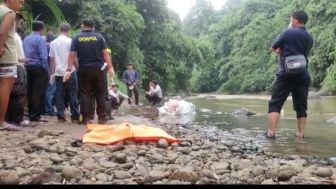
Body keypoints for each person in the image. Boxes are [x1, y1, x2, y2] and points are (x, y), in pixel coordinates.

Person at [266, 10, 314, 139]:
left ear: (295, 20)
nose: (290, 21)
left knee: (275, 104)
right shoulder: (309, 38)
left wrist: (279, 49)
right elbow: (302, 53)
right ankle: (300, 134)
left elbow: (273, 48)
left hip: (286, 74)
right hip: (303, 74)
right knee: (301, 106)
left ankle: (271, 133)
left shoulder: (288, 32)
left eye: (291, 19)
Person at [64, 18, 114, 125]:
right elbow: (105, 54)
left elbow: (72, 55)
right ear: (93, 27)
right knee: (100, 93)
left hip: (84, 69)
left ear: (82, 25)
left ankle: (86, 118)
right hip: (99, 69)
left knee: (85, 93)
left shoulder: (76, 38)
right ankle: (102, 117)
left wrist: (68, 70)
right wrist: (110, 68)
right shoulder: (99, 37)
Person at [0, 0, 25, 131]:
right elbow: (2, 33)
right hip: (6, 56)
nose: (21, 3)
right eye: (19, 1)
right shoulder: (9, 13)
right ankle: (1, 121)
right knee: (5, 87)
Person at [50, 23, 79, 123]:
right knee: (72, 93)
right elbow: (73, 57)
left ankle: (60, 116)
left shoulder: (53, 43)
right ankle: (75, 116)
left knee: (59, 94)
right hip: (70, 71)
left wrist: (52, 72)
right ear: (68, 31)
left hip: (58, 72)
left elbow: (52, 59)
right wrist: (77, 67)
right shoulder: (70, 41)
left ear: (59, 30)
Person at [23, 21, 49, 122]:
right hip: (39, 67)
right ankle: (35, 115)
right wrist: (46, 69)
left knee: (30, 90)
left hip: (28, 67)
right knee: (38, 92)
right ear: (41, 29)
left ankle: (30, 113)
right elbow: (43, 56)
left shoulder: (26, 39)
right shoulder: (40, 39)